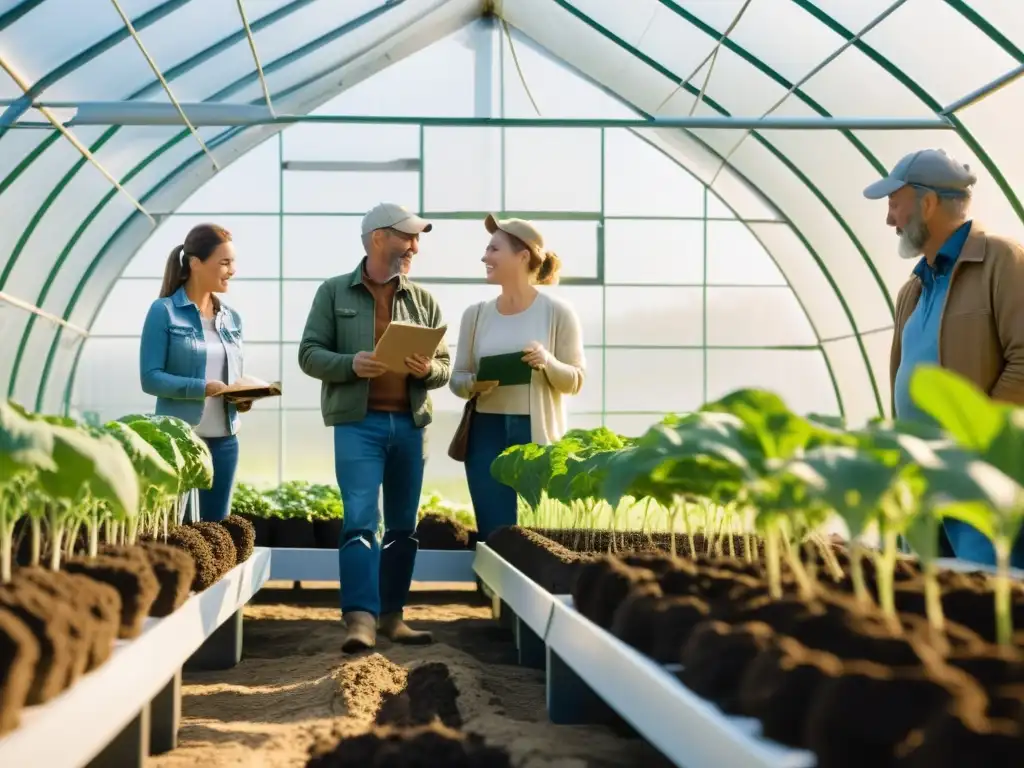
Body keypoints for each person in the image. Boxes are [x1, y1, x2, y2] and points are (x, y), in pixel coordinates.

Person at [298, 202, 451, 653]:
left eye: (418, 239)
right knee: (361, 522)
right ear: (378, 237)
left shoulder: (422, 299)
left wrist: (427, 370)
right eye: (408, 237)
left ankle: (392, 617)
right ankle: (359, 619)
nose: (415, 247)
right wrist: (350, 364)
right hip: (358, 425)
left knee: (404, 526)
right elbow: (309, 354)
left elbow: (444, 366)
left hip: (410, 425)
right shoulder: (333, 293)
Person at [864, 147, 1024, 567]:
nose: (889, 219)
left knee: (989, 599)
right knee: (927, 607)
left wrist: (973, 446)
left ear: (928, 203)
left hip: (981, 485)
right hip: (920, 484)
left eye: (894, 205)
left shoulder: (1002, 261)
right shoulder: (911, 290)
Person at [450, 214, 585, 542]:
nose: (485, 257)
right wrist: (474, 385)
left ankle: (529, 593)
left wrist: (547, 362)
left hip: (535, 433)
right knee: (493, 530)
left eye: (494, 249)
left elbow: (576, 380)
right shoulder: (476, 314)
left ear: (522, 256)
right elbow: (458, 378)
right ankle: (491, 592)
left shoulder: (557, 312)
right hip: (485, 432)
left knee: (535, 533)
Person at [140, 223, 247, 523]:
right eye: (224, 262)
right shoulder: (163, 311)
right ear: (195, 263)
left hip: (225, 442)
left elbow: (233, 377)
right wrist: (201, 387)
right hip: (178, 441)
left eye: (233, 262)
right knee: (178, 533)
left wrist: (243, 397)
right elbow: (150, 378)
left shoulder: (232, 318)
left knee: (215, 535)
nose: (232, 270)